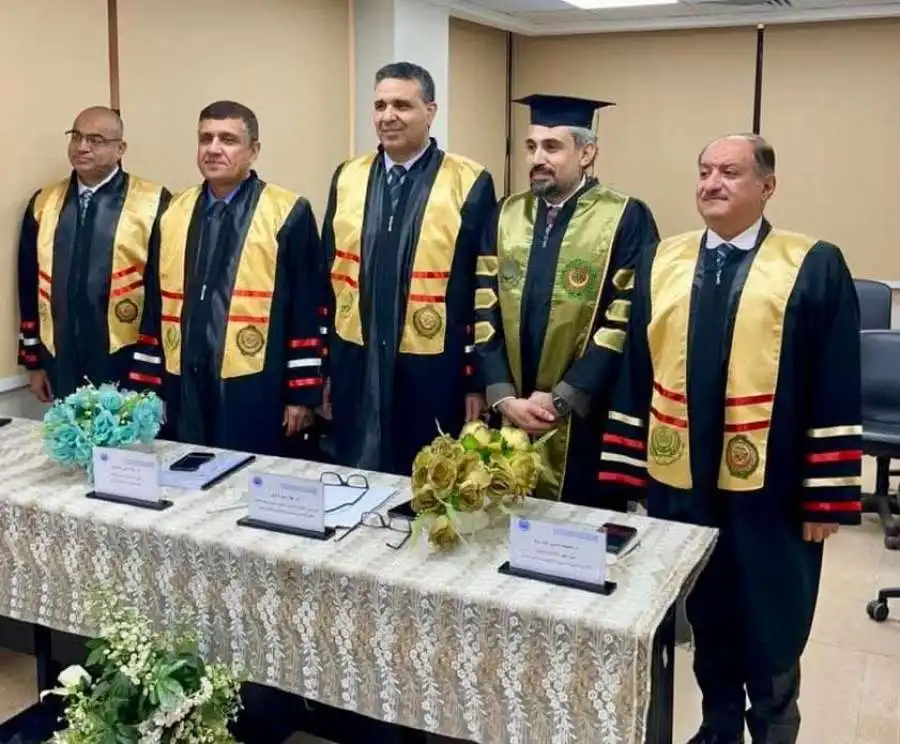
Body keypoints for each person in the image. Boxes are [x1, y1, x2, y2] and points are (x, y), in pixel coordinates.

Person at [597, 134, 862, 744]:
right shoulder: (664, 260)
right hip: (682, 480)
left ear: (767, 187)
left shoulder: (812, 264)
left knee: (772, 618)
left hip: (774, 489)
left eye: (730, 172)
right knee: (706, 612)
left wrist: (824, 497)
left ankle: (773, 730)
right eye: (705, 171)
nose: (712, 183)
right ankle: (717, 728)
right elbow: (637, 370)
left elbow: (835, 381)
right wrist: (629, 474)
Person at [475, 93, 659, 507]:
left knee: (578, 529)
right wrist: (503, 396)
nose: (537, 158)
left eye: (552, 147)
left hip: (586, 416)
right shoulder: (506, 215)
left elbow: (625, 319)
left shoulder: (625, 217)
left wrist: (563, 397)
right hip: (511, 411)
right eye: (531, 146)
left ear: (587, 153)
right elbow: (484, 306)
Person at [321, 61, 497, 476]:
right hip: (356, 358)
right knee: (353, 474)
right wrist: (324, 369)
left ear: (430, 112)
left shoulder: (468, 182)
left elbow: (482, 287)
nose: (388, 116)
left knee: (424, 477)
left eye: (402, 105)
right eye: (380, 105)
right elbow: (327, 278)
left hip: (433, 366)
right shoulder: (348, 177)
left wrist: (475, 380)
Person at [129, 100, 326, 456]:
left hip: (256, 383)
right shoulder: (174, 212)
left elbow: (308, 307)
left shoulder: (287, 212)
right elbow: (154, 305)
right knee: (185, 470)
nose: (214, 148)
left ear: (254, 150)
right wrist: (149, 387)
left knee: (248, 474)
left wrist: (301, 394)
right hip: (183, 380)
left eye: (228, 139)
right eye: (206, 138)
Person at [17, 106, 169, 401]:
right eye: (76, 137)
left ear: (120, 149)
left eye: (95, 140)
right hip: (61, 357)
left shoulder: (152, 203)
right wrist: (33, 361)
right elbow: (28, 284)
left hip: (126, 359)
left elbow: (162, 292)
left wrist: (150, 369)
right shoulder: (44, 203)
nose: (82, 147)